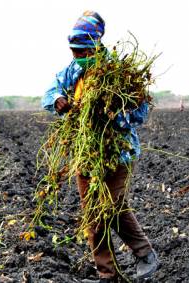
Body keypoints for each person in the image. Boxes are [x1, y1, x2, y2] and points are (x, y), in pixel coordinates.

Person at [41, 11, 159, 283]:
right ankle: (108, 275)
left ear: (96, 46)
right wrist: (59, 99)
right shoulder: (73, 71)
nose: (78, 57)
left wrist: (114, 111)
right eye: (74, 52)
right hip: (86, 151)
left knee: (110, 206)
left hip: (118, 151)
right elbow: (50, 92)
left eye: (82, 52)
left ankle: (145, 254)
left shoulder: (120, 73)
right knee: (92, 213)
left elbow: (140, 113)